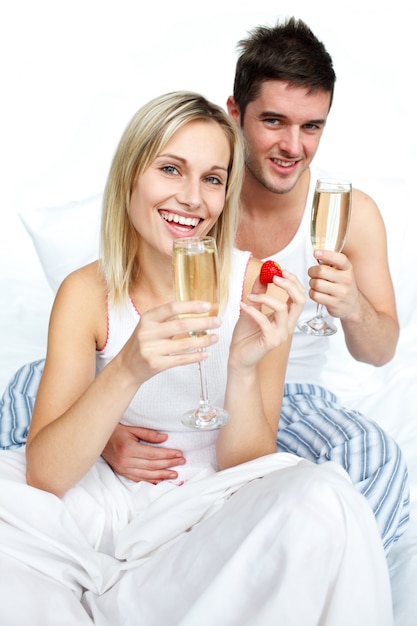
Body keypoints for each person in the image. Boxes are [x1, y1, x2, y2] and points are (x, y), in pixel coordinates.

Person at [0, 91, 394, 625]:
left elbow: (248, 467)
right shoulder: (86, 293)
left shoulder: (259, 283)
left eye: (212, 179)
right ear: (130, 178)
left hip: (210, 505)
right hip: (106, 501)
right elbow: (45, 476)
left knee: (327, 500)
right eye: (170, 169)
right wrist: (125, 370)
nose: (192, 198)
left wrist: (242, 365)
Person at [99, 18, 410, 556]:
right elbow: (117, 303)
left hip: (290, 395)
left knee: (373, 455)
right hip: (179, 381)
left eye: (312, 126)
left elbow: (382, 350)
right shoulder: (198, 197)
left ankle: (324, 578)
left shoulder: (350, 215)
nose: (294, 145)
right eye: (274, 121)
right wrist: (103, 433)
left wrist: (353, 305)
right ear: (234, 113)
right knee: (29, 384)